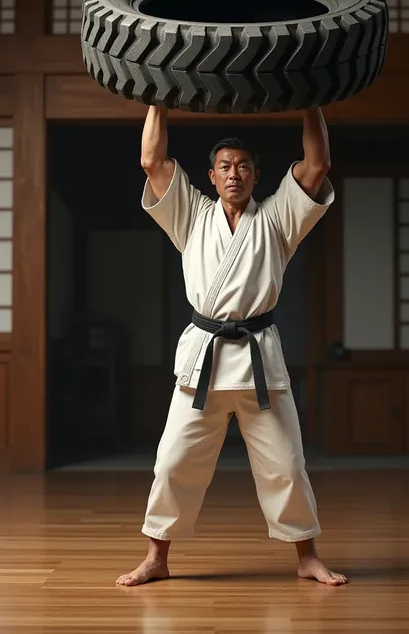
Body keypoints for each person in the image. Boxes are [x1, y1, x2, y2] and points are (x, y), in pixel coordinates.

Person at [117, 105, 347, 587]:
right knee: (174, 460)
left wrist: (312, 100)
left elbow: (317, 165)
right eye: (225, 166)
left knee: (286, 464)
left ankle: (306, 557)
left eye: (243, 166)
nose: (234, 173)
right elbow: (152, 162)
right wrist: (157, 99)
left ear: (257, 175)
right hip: (203, 357)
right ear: (212, 175)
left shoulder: (279, 218)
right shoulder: (192, 215)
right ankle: (157, 557)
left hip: (260, 357)